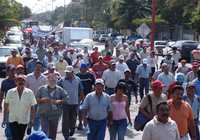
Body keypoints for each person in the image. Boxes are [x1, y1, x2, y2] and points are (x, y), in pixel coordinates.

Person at [3, 74, 37, 140]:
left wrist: (32, 120)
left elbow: (33, 107)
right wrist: (4, 118)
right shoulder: (10, 92)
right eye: (19, 80)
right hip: (13, 119)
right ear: (15, 82)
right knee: (15, 137)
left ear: (25, 82)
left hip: (24, 120)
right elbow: (6, 105)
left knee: (20, 137)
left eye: (23, 80)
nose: (21, 82)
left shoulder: (30, 92)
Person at [36, 73, 68, 140]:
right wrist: (42, 100)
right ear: (47, 80)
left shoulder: (60, 89)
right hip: (44, 114)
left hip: (55, 115)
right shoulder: (41, 89)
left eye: (54, 80)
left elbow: (66, 98)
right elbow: (35, 99)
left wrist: (59, 101)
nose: (52, 81)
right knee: (44, 132)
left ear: (56, 81)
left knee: (53, 133)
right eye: (50, 79)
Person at [58, 66, 84, 140]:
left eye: (69, 72)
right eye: (66, 72)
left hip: (75, 103)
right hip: (65, 103)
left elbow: (81, 90)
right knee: (65, 120)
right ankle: (66, 136)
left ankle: (72, 129)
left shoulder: (78, 79)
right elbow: (58, 90)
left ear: (72, 72)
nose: (67, 74)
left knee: (73, 119)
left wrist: (83, 100)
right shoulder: (61, 80)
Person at [26, 61, 47, 131]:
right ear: (34, 67)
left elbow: (45, 90)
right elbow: (25, 88)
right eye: (37, 67)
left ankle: (35, 131)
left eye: (40, 67)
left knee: (37, 117)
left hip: (39, 101)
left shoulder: (44, 78)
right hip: (29, 100)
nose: (38, 68)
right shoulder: (28, 77)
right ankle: (29, 127)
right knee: (29, 115)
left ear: (42, 68)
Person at [76, 63, 95, 130]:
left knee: (88, 110)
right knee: (80, 110)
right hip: (79, 96)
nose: (82, 69)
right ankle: (80, 123)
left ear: (86, 68)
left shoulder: (90, 75)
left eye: (84, 68)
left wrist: (93, 90)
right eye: (81, 68)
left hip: (88, 95)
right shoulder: (77, 75)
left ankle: (87, 122)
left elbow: (94, 84)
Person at [0, 65, 16, 140]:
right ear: (7, 72)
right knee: (9, 128)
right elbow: (2, 94)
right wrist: (0, 105)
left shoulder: (19, 80)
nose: (13, 72)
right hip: (8, 107)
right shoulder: (4, 82)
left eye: (14, 70)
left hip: (19, 107)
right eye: (11, 70)